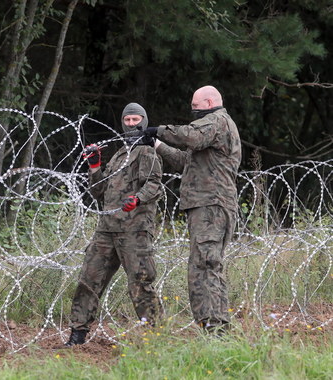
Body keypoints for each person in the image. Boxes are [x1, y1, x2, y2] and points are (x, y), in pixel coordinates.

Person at [143, 85, 241, 334]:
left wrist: (160, 130)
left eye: (195, 107)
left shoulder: (216, 121)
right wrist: (156, 144)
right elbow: (185, 162)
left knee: (205, 266)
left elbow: (191, 136)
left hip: (211, 205)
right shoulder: (214, 131)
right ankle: (215, 327)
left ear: (209, 103)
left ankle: (214, 329)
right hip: (209, 205)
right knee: (206, 265)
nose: (192, 111)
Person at [65, 103, 163, 347]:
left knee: (140, 284)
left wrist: (137, 199)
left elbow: (154, 185)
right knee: (89, 280)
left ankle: (157, 336)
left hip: (134, 231)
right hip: (107, 229)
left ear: (144, 120)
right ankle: (77, 335)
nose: (132, 124)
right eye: (127, 120)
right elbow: (99, 191)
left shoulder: (147, 152)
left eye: (136, 120)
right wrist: (95, 166)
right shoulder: (120, 154)